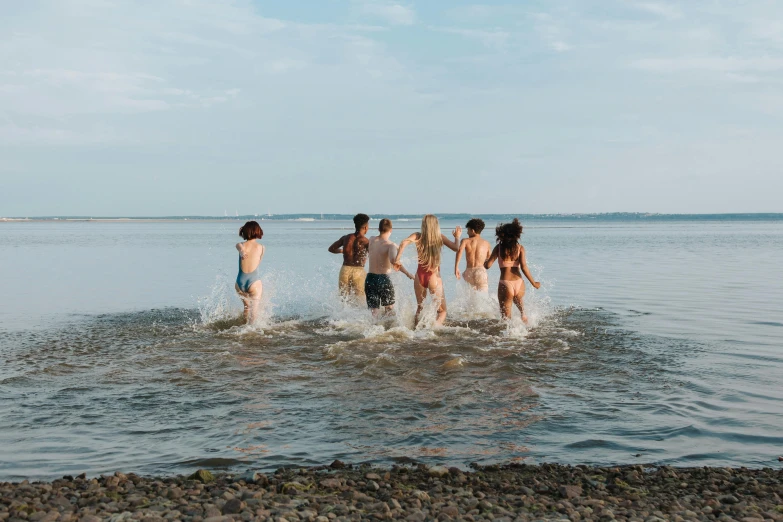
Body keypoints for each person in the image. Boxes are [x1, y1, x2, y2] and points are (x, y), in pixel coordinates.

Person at [393, 215, 461, 327]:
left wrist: (397, 259)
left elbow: (403, 243)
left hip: (419, 277)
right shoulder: (439, 237)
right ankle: (433, 329)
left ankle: (415, 331)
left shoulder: (418, 236)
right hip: (434, 277)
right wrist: (457, 237)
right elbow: (456, 248)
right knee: (442, 311)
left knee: (420, 308)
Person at [484, 218, 541, 322]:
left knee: (506, 319)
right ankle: (523, 315)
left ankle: (508, 336)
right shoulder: (520, 248)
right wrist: (534, 283)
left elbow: (488, 266)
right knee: (518, 299)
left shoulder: (499, 248)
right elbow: (524, 267)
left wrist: (485, 261)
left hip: (505, 284)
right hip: (519, 283)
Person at [366, 218, 414, 316]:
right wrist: (408, 274)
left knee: (374, 312)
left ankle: (373, 328)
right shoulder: (390, 245)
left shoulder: (371, 239)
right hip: (383, 279)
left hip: (370, 278)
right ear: (391, 230)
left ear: (378, 229)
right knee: (389, 309)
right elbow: (394, 261)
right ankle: (389, 329)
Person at [328, 213, 370, 302]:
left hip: (345, 270)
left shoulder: (346, 238)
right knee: (360, 301)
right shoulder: (366, 241)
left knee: (344, 300)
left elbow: (331, 249)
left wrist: (341, 251)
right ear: (365, 227)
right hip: (358, 271)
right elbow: (373, 256)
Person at [235, 220, 265, 324]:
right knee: (254, 310)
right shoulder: (261, 247)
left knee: (247, 307)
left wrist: (242, 251)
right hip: (253, 282)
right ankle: (251, 329)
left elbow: (238, 246)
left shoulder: (241, 245)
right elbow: (258, 263)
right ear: (258, 232)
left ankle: (243, 325)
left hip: (239, 283)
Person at [454, 218, 491, 292]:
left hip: (469, 272)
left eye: (468, 230)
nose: (467, 233)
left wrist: (456, 268)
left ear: (472, 230)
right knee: (483, 297)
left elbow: (459, 251)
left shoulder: (465, 241)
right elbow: (489, 259)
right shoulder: (486, 243)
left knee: (469, 300)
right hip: (480, 272)